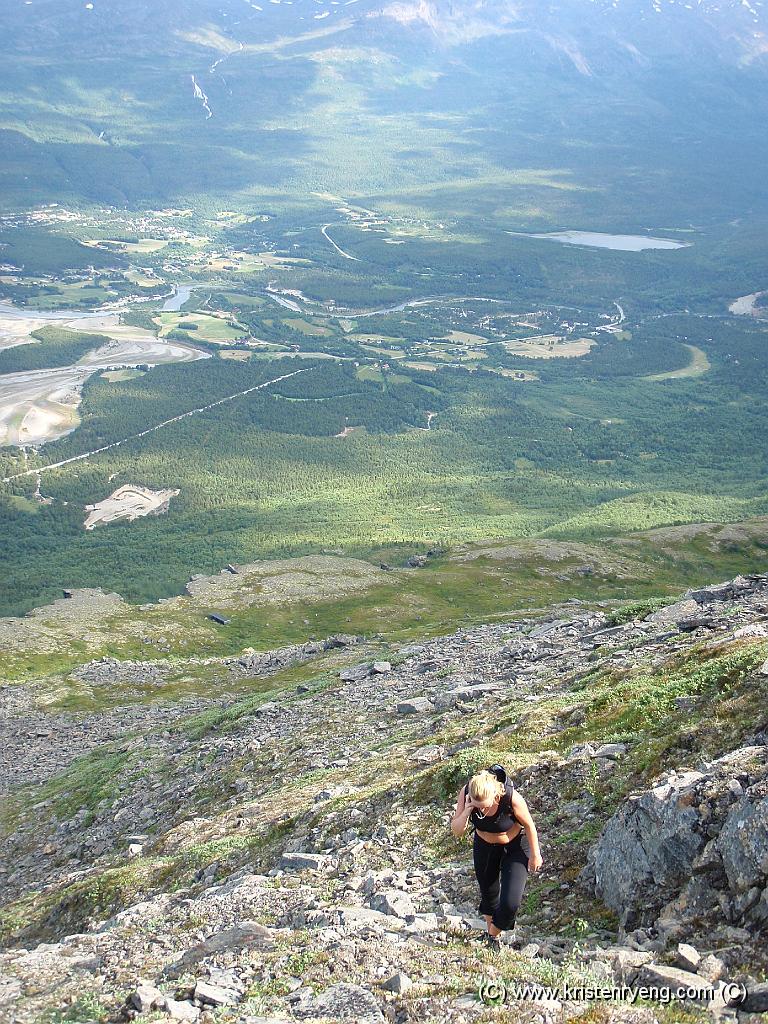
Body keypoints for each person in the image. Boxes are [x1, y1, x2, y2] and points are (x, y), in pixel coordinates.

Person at [451, 765, 543, 949]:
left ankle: (491, 935)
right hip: (485, 846)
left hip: (514, 846)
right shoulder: (467, 792)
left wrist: (535, 854)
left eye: (484, 806)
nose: (482, 811)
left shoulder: (511, 798)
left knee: (510, 902)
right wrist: (468, 810)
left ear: (495, 796)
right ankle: (492, 940)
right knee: (489, 894)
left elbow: (530, 825)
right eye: (478, 807)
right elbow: (457, 831)